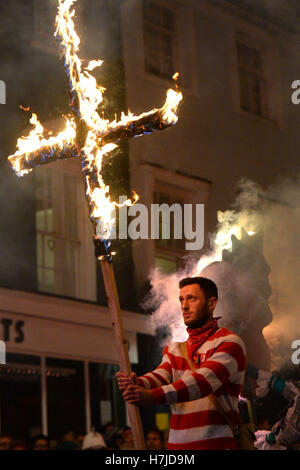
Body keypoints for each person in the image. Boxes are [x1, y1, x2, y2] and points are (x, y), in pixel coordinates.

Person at [116, 276, 246, 450]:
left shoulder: (230, 342)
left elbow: (201, 383)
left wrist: (150, 396)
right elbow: (160, 376)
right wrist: (137, 382)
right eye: (182, 299)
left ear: (212, 303)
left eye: (192, 298)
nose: (184, 306)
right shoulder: (175, 349)